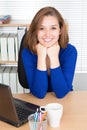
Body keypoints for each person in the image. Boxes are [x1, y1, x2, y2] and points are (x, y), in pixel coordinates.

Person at [22, 6, 77, 98]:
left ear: (60, 30)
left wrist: (54, 58)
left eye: (53, 28)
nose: (47, 34)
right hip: (39, 103)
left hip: (64, 102)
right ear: (35, 31)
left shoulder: (70, 52)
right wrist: (41, 58)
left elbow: (61, 93)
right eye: (41, 28)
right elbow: (39, 93)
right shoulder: (27, 53)